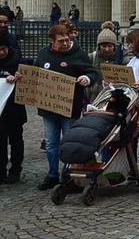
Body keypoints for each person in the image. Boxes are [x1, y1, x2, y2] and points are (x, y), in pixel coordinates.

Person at [16, 24, 99, 189]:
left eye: (68, 40)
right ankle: (52, 174)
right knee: (51, 143)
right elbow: (35, 73)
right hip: (49, 109)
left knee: (69, 143)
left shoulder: (79, 54)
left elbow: (93, 73)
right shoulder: (43, 54)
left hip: (70, 109)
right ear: (52, 41)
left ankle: (69, 175)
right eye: (61, 41)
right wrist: (22, 77)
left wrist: (86, 78)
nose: (66, 43)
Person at [0, 32, 26, 184]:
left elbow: (28, 78)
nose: (2, 52)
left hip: (15, 109)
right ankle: (1, 171)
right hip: (1, 111)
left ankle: (15, 169)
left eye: (4, 48)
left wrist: (18, 77)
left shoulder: (17, 60)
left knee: (16, 140)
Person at [88, 28, 125, 101]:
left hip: (115, 100)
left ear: (114, 47)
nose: (107, 49)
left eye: (110, 46)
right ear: (99, 46)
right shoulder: (91, 58)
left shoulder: (122, 59)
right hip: (94, 99)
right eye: (104, 46)